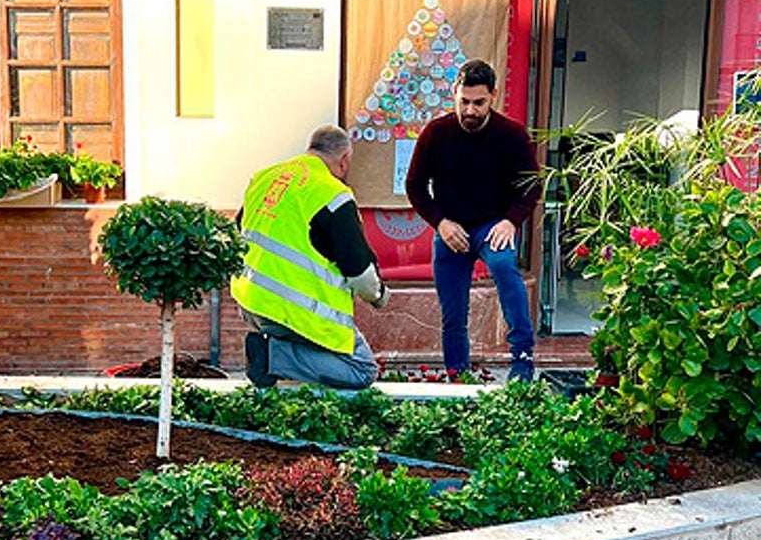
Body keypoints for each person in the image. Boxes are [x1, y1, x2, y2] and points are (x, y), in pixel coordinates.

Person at [404, 58, 541, 382]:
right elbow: (414, 185)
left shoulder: (512, 135)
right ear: (454, 93)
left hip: (493, 225)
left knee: (506, 268)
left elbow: (532, 185)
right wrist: (440, 222)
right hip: (451, 226)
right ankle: (457, 375)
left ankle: (522, 361)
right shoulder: (437, 133)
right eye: (464, 101)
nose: (470, 110)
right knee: (453, 311)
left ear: (493, 95)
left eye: (478, 103)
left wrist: (510, 221)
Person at [230, 124, 389, 389]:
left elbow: (238, 233)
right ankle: (272, 357)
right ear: (344, 159)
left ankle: (274, 357)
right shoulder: (332, 194)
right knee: (360, 369)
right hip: (294, 311)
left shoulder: (265, 178)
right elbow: (360, 273)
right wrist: (379, 296)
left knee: (308, 353)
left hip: (250, 301)